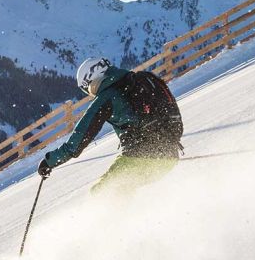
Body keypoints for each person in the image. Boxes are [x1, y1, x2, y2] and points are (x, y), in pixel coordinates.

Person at [37, 57, 183, 195]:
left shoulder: (107, 97)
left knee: (101, 193)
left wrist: (49, 161)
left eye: (85, 88)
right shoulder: (134, 82)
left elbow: (77, 141)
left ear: (90, 81)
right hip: (169, 155)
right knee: (122, 188)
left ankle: (119, 220)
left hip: (142, 157)